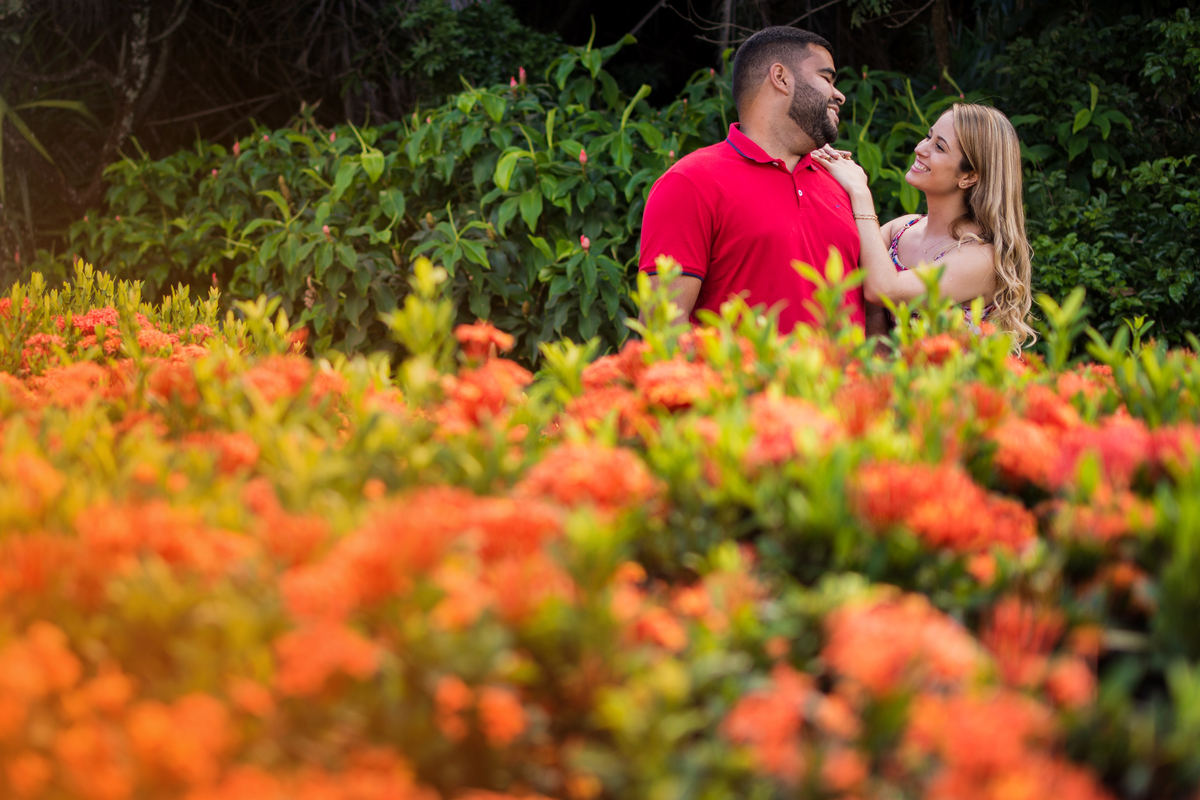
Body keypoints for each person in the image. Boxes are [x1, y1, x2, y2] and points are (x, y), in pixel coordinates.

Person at [638, 26, 865, 334]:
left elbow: (872, 309)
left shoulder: (844, 181)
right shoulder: (691, 181)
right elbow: (662, 330)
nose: (839, 95)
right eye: (826, 78)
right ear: (781, 77)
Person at [811, 103, 1036, 349]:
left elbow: (883, 289)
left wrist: (860, 192)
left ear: (969, 176)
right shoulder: (902, 229)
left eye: (939, 146)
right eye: (929, 136)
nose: (919, 148)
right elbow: (843, 263)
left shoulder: (981, 257)